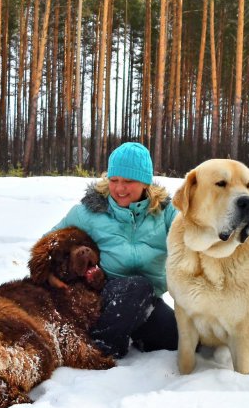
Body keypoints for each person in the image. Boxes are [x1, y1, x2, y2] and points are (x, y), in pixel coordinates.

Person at [50, 142, 178, 358]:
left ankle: (131, 332)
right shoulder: (88, 212)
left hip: (147, 301)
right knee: (138, 286)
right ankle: (98, 349)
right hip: (101, 297)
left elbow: (194, 235)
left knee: (178, 339)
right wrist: (50, 276)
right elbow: (49, 244)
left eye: (128, 181)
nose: (119, 189)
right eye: (114, 180)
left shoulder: (165, 212)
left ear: (146, 182)